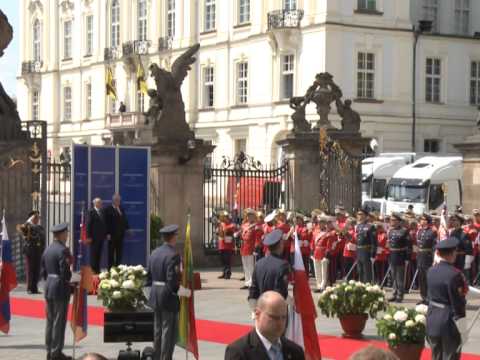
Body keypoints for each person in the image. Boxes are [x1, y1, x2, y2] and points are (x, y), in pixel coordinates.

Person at [146, 224, 191, 360]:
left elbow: (148, 277)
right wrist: (184, 292)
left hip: (155, 294)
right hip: (167, 296)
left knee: (157, 329)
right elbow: (172, 281)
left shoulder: (154, 252)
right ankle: (165, 358)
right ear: (173, 237)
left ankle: (156, 356)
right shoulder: (173, 255)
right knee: (168, 331)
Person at [225, 291, 305, 360]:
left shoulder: (295, 351)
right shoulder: (238, 351)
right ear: (257, 314)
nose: (280, 323)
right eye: (274, 317)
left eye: (283, 317)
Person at [426, 237, 468, 360]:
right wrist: (463, 327)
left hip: (432, 317)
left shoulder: (431, 271)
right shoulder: (455, 274)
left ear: (438, 253)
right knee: (450, 356)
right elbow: (458, 304)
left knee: (436, 355)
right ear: (453, 253)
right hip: (448, 322)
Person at [41, 222, 73, 360]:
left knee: (50, 321)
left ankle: (49, 351)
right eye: (66, 233)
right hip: (60, 288)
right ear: (61, 234)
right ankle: (56, 353)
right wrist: (72, 280)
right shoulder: (63, 250)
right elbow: (65, 273)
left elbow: (43, 271)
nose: (67, 235)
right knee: (59, 322)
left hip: (49, 286)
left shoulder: (47, 249)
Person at [249, 229, 291, 304]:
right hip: (275, 308)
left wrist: (255, 311)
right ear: (281, 244)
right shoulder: (283, 265)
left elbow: (253, 292)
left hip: (261, 307)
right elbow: (281, 293)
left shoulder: (258, 263)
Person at [387, 213, 411, 303]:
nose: (391, 222)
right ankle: (394, 293)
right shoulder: (391, 231)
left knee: (399, 277)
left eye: (393, 220)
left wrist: (407, 258)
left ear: (399, 221)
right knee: (393, 276)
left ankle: (400, 295)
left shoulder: (404, 231)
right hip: (392, 255)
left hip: (400, 255)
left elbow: (409, 246)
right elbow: (389, 244)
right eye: (391, 220)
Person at [20, 210, 45, 294]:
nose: (38, 219)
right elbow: (24, 232)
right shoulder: (27, 226)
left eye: (38, 217)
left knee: (37, 270)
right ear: (32, 218)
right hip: (30, 251)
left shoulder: (40, 227)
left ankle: (35, 287)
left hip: (38, 251)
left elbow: (42, 239)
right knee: (30, 270)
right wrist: (28, 222)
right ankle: (29, 288)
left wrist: (42, 249)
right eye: (36, 217)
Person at [416, 214, 437, 304]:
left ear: (428, 221)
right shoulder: (420, 231)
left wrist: (434, 259)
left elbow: (434, 247)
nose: (422, 221)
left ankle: (429, 298)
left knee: (428, 278)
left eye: (424, 220)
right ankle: (424, 297)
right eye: (421, 219)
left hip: (428, 257)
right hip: (420, 256)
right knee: (421, 278)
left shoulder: (432, 232)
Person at [105, 193, 129, 268]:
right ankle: (110, 269)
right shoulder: (108, 209)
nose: (118, 202)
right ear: (113, 201)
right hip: (111, 235)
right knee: (111, 253)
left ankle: (118, 268)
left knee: (119, 253)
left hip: (120, 235)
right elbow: (106, 222)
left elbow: (124, 220)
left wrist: (127, 228)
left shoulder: (121, 209)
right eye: (116, 200)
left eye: (119, 200)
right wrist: (107, 233)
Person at [86, 198, 107, 273]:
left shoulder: (102, 212)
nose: (100, 204)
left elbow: (104, 224)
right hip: (94, 238)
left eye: (101, 202)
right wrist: (88, 237)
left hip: (101, 238)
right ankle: (93, 270)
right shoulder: (91, 212)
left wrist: (105, 234)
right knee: (94, 255)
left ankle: (97, 270)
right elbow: (88, 225)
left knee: (99, 254)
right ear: (94, 203)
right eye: (99, 202)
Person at [355, 208, 376, 283]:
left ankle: (367, 289)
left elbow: (374, 242)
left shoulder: (370, 226)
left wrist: (373, 255)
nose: (359, 216)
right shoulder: (358, 226)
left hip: (366, 251)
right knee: (360, 271)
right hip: (359, 251)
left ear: (366, 216)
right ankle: (360, 288)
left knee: (367, 272)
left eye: (361, 214)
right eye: (358, 214)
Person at [240, 209, 257, 289]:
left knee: (251, 266)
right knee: (245, 266)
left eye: (251, 216)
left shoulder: (255, 225)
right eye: (248, 216)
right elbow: (242, 236)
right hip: (244, 247)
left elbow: (255, 237)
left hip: (251, 247)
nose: (250, 217)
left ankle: (252, 282)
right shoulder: (244, 225)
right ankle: (247, 282)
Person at [217, 211, 236, 279]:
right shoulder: (221, 224)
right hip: (221, 244)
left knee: (227, 260)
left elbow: (232, 229)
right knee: (222, 260)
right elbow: (219, 233)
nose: (225, 218)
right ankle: (224, 272)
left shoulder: (231, 224)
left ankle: (228, 273)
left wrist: (225, 228)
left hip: (228, 246)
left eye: (226, 217)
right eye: (224, 217)